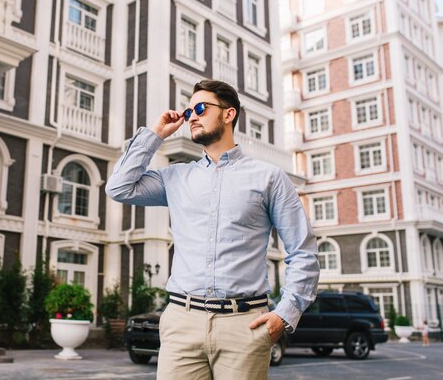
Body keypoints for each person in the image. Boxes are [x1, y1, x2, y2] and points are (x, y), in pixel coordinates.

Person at [106, 80, 319, 380]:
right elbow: (119, 187)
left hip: (244, 325)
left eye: (201, 108)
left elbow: (303, 250)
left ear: (229, 114)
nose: (191, 116)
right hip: (182, 321)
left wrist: (286, 314)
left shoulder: (269, 178)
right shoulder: (176, 177)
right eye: (189, 109)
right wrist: (154, 136)